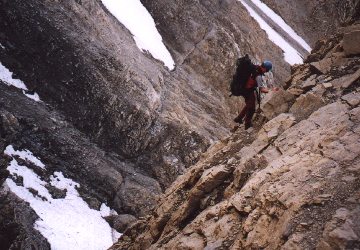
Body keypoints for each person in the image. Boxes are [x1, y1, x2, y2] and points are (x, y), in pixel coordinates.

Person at [233, 60, 273, 129]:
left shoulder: (255, 68)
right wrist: (271, 91)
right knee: (251, 108)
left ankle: (238, 118)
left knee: (249, 104)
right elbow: (262, 90)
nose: (266, 72)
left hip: (243, 88)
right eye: (266, 70)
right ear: (265, 68)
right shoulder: (258, 76)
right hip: (247, 90)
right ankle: (247, 124)